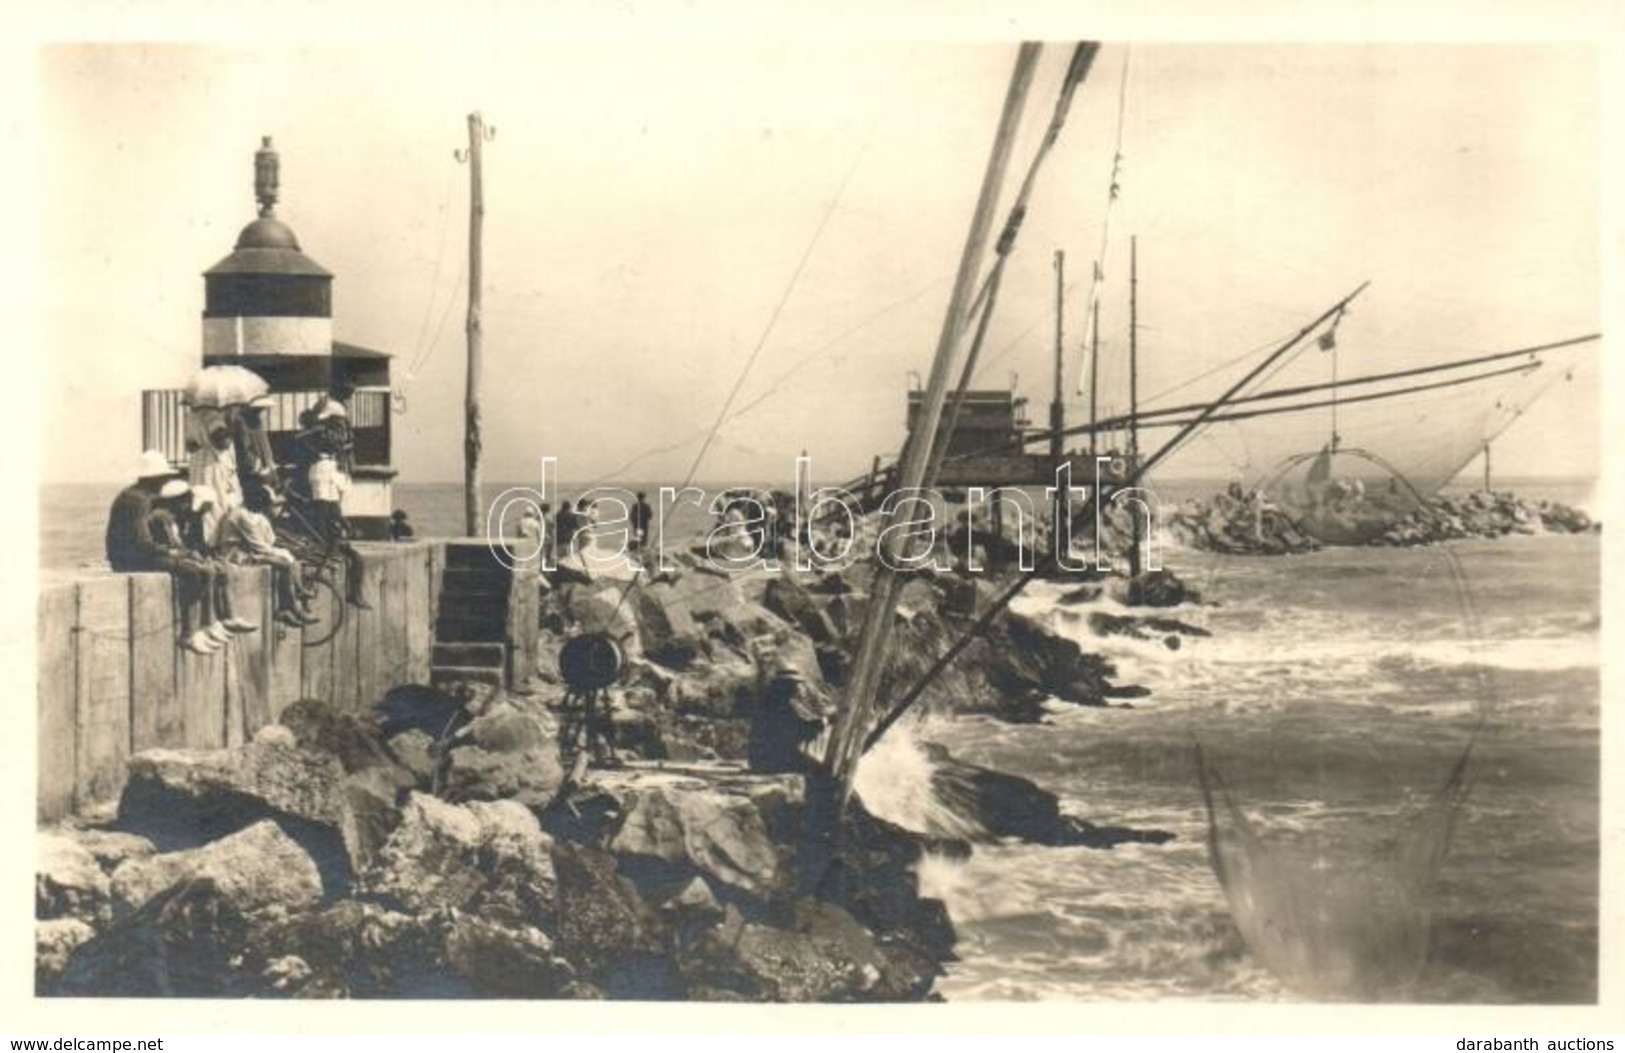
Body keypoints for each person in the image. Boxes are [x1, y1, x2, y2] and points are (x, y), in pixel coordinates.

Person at [148, 478, 258, 652]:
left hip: (179, 555)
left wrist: (204, 555)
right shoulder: (162, 517)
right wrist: (192, 555)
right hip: (165, 558)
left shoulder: (188, 517)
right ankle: (201, 627)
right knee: (204, 572)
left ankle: (223, 619)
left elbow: (195, 544)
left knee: (220, 568)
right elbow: (172, 545)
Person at [218, 486, 318, 627]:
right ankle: (291, 605)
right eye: (262, 505)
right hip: (236, 554)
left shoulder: (251, 514)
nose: (264, 509)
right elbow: (258, 545)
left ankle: (292, 604)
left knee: (286, 560)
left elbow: (269, 539)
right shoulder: (241, 515)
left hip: (248, 550)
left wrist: (280, 551)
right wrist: (280, 552)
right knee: (284, 562)